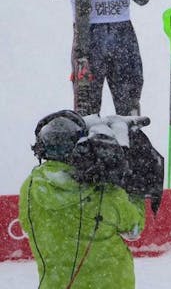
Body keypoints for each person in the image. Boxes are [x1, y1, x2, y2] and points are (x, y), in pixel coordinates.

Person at [19, 110, 146, 289]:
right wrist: (135, 193)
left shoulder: (30, 187)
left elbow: (28, 225)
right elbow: (134, 229)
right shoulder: (104, 190)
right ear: (81, 146)